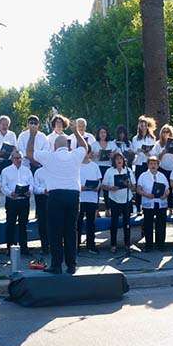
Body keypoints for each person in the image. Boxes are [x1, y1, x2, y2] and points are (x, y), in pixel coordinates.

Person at [27, 118, 88, 275]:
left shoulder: (49, 156)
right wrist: (75, 131)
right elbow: (84, 146)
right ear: (67, 146)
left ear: (54, 146)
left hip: (55, 196)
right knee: (70, 231)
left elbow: (29, 153)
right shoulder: (75, 155)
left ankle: (56, 265)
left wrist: (33, 135)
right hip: (73, 196)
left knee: (55, 231)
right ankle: (72, 265)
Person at [1, 150, 34, 255]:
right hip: (12, 200)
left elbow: (31, 183)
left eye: (20, 158)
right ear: (12, 159)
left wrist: (30, 191)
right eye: (16, 158)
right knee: (10, 224)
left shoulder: (27, 170)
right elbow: (3, 186)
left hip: (24, 200)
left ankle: (24, 248)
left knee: (23, 225)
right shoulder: (6, 171)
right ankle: (10, 248)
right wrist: (10, 193)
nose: (18, 160)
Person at [101, 152, 135, 255]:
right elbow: (103, 186)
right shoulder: (110, 171)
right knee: (114, 223)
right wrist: (111, 188)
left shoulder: (128, 171)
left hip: (126, 199)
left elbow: (134, 187)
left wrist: (129, 185)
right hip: (114, 199)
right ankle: (113, 245)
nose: (119, 160)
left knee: (127, 223)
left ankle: (127, 244)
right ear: (114, 161)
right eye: (117, 159)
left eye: (121, 158)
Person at [137, 156, 170, 251]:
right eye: (151, 164)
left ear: (158, 165)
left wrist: (165, 195)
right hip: (148, 202)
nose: (153, 165)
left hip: (161, 203)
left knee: (161, 225)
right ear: (148, 165)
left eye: (155, 164)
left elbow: (167, 189)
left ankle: (161, 245)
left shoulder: (162, 176)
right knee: (148, 225)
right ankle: (149, 245)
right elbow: (138, 189)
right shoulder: (143, 175)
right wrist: (146, 194)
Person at [78, 147, 101, 253]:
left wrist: (97, 187)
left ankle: (91, 245)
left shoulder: (94, 166)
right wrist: (81, 187)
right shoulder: (76, 165)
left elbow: (98, 180)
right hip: (80, 198)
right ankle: (76, 245)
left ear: (89, 153)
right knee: (78, 222)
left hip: (92, 198)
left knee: (91, 223)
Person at [130, 116, 157, 210]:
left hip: (148, 164)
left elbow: (154, 152)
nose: (143, 126)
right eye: (141, 125)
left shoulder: (152, 138)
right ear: (139, 126)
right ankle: (138, 206)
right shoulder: (135, 138)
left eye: (145, 125)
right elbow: (134, 150)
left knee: (149, 184)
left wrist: (147, 152)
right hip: (139, 163)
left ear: (147, 126)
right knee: (139, 184)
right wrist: (139, 150)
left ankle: (149, 205)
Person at [151, 124, 173, 210]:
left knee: (172, 188)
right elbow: (155, 158)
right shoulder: (158, 144)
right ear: (161, 133)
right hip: (162, 168)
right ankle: (163, 206)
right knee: (163, 187)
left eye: (167, 131)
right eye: (164, 131)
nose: (166, 133)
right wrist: (163, 152)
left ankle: (172, 207)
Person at [32, 164, 49, 254]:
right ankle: (45, 247)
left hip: (54, 198)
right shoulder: (38, 172)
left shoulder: (56, 170)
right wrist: (43, 190)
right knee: (42, 224)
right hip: (42, 199)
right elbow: (35, 188)